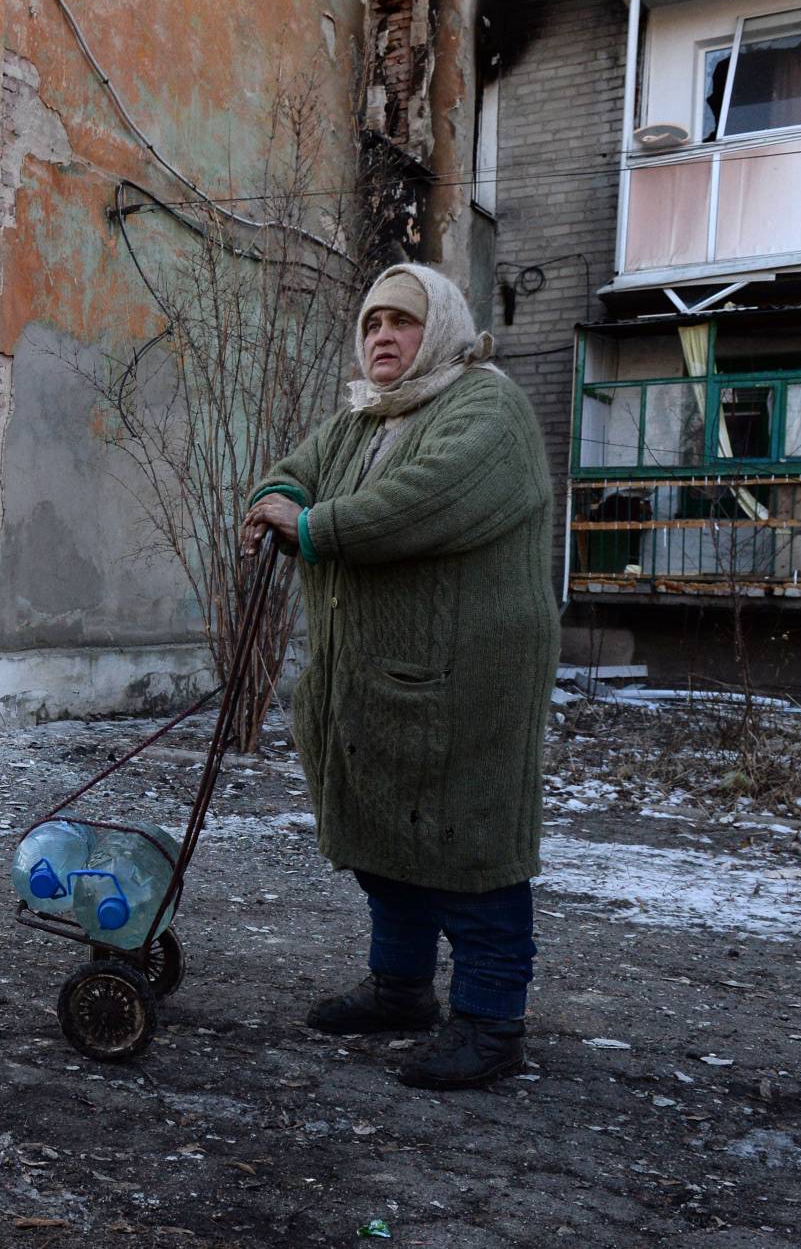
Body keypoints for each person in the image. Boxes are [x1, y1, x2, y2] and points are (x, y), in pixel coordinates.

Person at [241, 263, 561, 1090]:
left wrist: (310, 525)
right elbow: (295, 470)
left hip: (467, 678)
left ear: (443, 328)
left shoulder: (489, 407)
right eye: (373, 322)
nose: (384, 336)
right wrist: (275, 499)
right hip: (376, 673)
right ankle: (400, 989)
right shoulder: (364, 417)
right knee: (388, 832)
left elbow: (427, 499)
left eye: (404, 321)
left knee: (471, 846)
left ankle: (492, 1023)